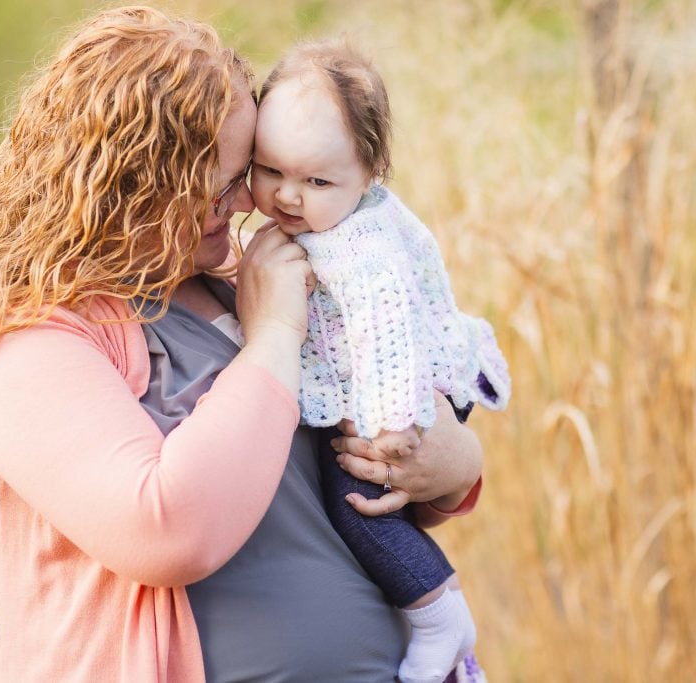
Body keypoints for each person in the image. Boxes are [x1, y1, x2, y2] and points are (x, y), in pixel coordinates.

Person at [0, 6, 484, 682]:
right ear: (128, 191)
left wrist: (451, 465)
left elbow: (336, 473)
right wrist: (273, 333)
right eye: (218, 192)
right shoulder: (11, 336)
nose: (246, 205)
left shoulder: (216, 286)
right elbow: (165, 528)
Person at [249, 40, 510, 683]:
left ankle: (435, 612)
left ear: (369, 172)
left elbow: (385, 329)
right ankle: (436, 605)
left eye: (316, 180)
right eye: (267, 169)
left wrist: (395, 424)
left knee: (355, 500)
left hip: (400, 392)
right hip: (392, 382)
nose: (286, 195)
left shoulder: (356, 248)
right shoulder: (324, 222)